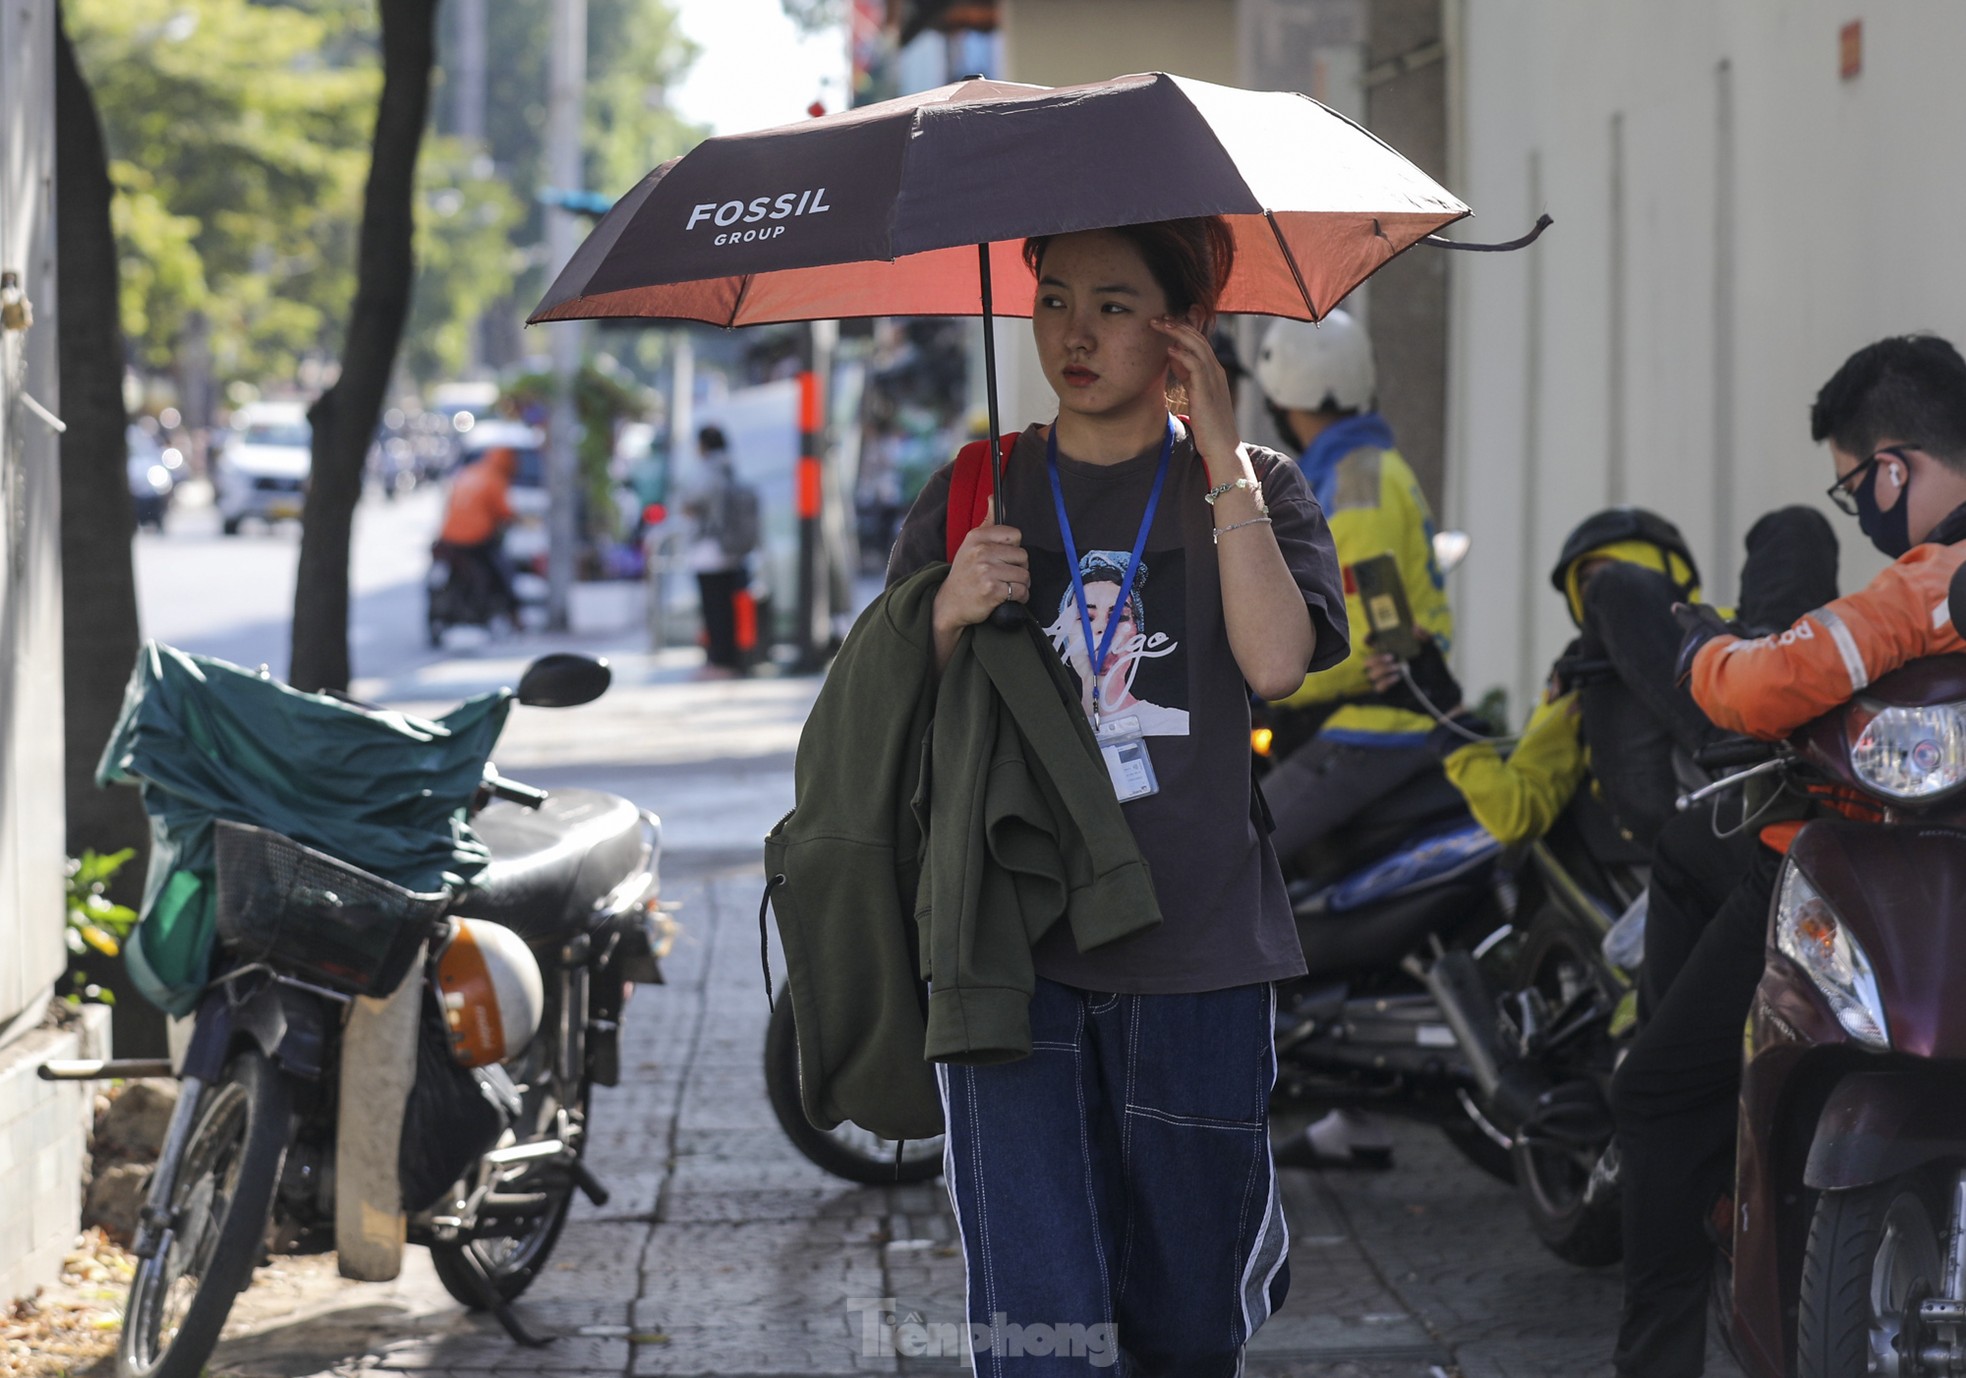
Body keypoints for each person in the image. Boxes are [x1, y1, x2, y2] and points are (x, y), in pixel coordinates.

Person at [886, 217, 1347, 1373]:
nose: (1072, 332)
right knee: (1040, 1330)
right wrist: (944, 612)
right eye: (1050, 299)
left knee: (1183, 1326)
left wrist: (1224, 456)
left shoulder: (1255, 486)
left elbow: (1279, 662)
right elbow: (881, 706)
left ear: (1180, 325)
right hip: (1011, 953)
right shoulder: (976, 490)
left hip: (1196, 952)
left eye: (1111, 302)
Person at [1610, 334, 1966, 1378]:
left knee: (1652, 1096)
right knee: (1688, 854)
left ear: (1891, 468)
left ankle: (1657, 1358)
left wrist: (1698, 653)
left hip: (1882, 870)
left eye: (1857, 484)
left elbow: (1767, 688)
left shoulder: (1933, 580)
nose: (1863, 507)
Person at [1253, 310, 1453, 865]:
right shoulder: (1356, 470)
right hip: (1366, 720)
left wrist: (1258, 682)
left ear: (1283, 400)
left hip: (1377, 724)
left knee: (1240, 854)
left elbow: (1374, 633)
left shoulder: (1359, 483)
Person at [681, 425, 760, 677]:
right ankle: (731, 659)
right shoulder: (732, 468)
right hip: (733, 549)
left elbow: (692, 504)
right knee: (727, 606)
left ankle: (719, 661)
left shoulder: (707, 471)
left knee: (713, 607)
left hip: (709, 549)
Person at [436, 445, 520, 621]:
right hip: (475, 539)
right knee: (500, 571)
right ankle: (513, 615)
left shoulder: (469, 472)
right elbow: (504, 512)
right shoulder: (495, 479)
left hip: (447, 537)